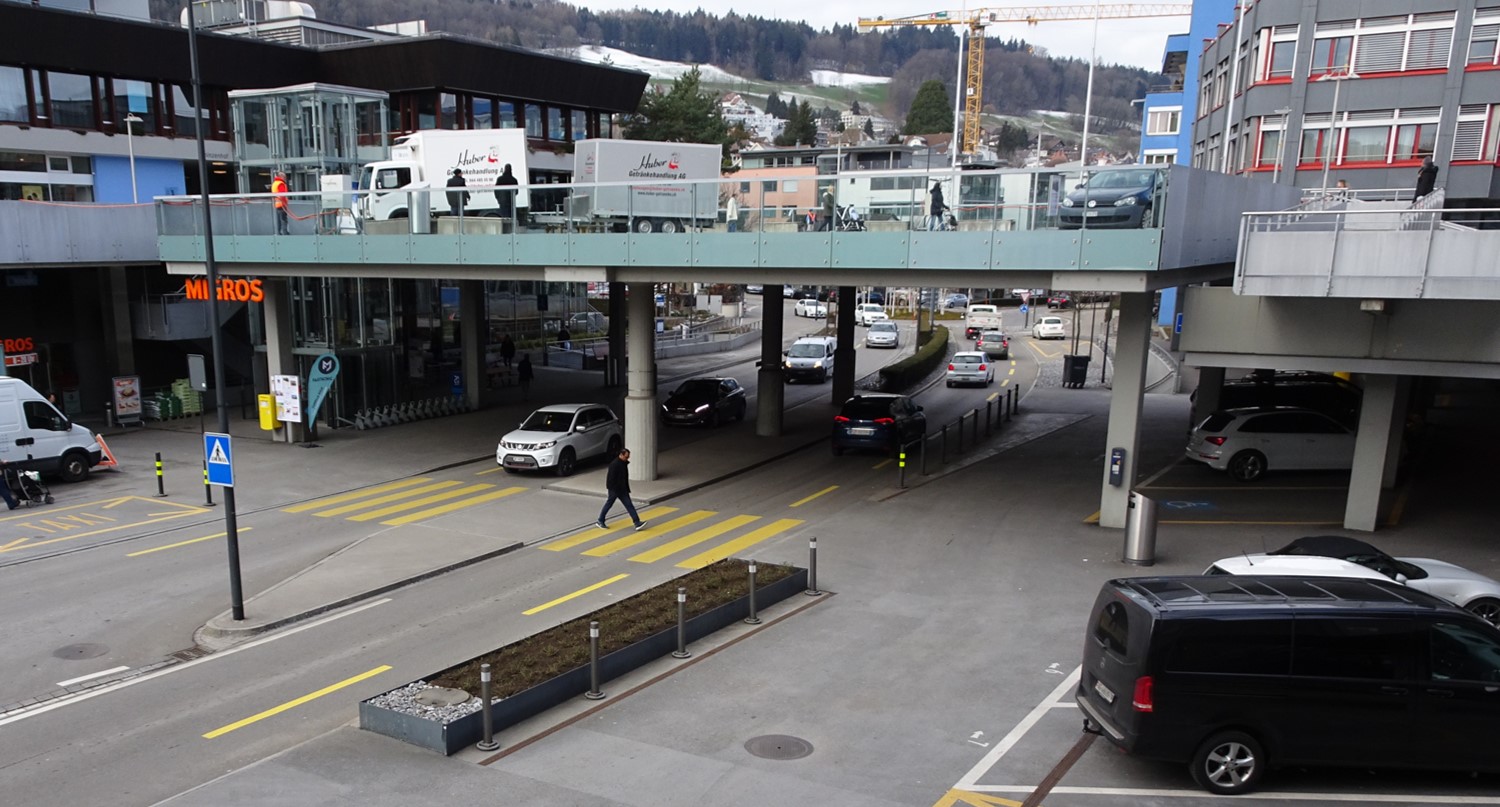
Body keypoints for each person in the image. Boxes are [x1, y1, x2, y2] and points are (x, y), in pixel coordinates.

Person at [597, 448, 644, 531]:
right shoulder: (614, 464)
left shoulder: (623, 463)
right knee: (609, 504)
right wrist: (614, 489)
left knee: (629, 505)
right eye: (626, 457)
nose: (627, 459)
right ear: (621, 455)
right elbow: (611, 479)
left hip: (622, 489)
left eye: (628, 457)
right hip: (615, 490)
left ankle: (637, 522)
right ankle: (600, 520)